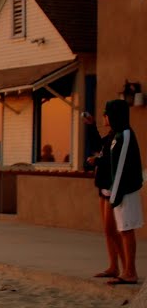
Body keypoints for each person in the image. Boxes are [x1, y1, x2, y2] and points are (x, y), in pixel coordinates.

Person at [104, 99, 142, 286]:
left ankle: (130, 272)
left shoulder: (125, 134)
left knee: (127, 229)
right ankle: (127, 270)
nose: (106, 117)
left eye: (108, 114)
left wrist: (115, 193)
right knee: (122, 229)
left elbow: (121, 167)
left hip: (126, 190)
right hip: (119, 189)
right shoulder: (117, 134)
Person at [85, 110, 122, 279]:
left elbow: (111, 158)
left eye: (106, 115)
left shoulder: (120, 136)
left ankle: (126, 267)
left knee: (112, 229)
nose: (104, 118)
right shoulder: (110, 136)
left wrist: (97, 161)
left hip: (111, 187)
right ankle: (114, 266)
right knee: (108, 231)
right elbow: (98, 147)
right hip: (103, 186)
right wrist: (91, 126)